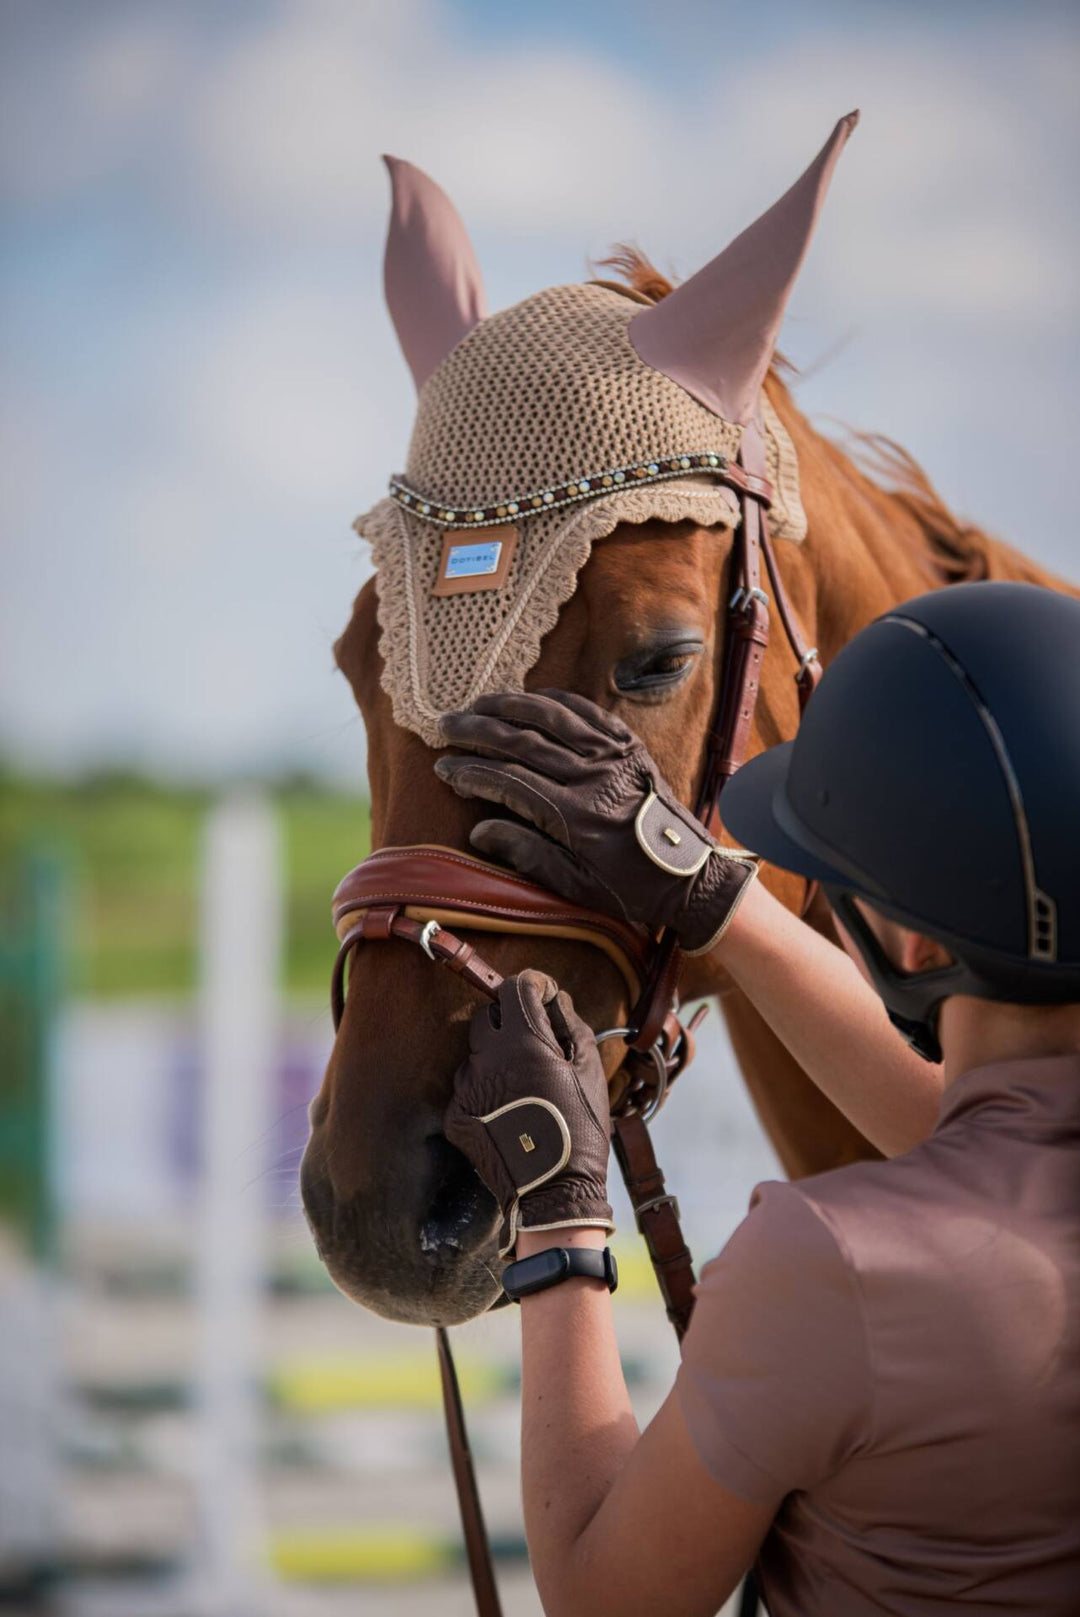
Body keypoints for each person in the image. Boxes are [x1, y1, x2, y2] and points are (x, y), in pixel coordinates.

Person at [438, 580, 1080, 1616]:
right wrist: (706, 895)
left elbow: (608, 1599)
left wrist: (559, 1214)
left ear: (912, 944)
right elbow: (999, 1156)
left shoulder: (835, 1264)